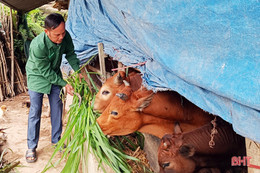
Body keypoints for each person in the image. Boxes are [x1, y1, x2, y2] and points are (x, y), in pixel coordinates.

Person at [25, 13, 81, 163]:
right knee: (35, 111)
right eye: (57, 35)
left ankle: (56, 140)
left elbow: (70, 54)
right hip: (37, 76)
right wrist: (64, 83)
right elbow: (45, 72)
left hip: (54, 74)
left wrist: (78, 71)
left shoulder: (65, 36)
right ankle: (31, 146)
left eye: (63, 33)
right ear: (46, 32)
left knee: (57, 107)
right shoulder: (38, 45)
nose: (61, 37)